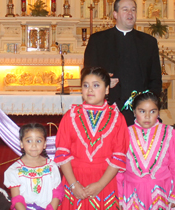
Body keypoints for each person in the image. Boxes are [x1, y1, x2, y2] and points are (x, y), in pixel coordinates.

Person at [54, 67, 129, 210]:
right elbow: (63, 153)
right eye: (85, 85)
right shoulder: (70, 116)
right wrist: (74, 185)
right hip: (74, 179)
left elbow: (118, 157)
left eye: (96, 85)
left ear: (107, 89)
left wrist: (100, 185)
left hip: (104, 181)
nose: (90, 90)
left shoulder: (117, 118)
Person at [84, 0, 162, 125]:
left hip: (139, 114)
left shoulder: (149, 43)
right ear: (115, 14)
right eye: (125, 9)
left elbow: (155, 80)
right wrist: (104, 80)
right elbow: (87, 74)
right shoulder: (98, 40)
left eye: (133, 9)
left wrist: (149, 106)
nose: (130, 13)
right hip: (106, 110)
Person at [117, 91, 175, 210]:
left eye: (152, 111)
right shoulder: (125, 134)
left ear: (159, 112)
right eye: (142, 111)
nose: (147, 116)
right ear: (134, 112)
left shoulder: (170, 134)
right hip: (132, 192)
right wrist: (119, 195)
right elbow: (119, 169)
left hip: (161, 191)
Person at [4, 123, 63, 210]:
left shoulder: (51, 167)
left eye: (38, 141)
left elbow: (57, 193)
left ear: (45, 144)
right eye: (29, 141)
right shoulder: (14, 170)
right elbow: (17, 199)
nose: (34, 145)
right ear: (21, 144)